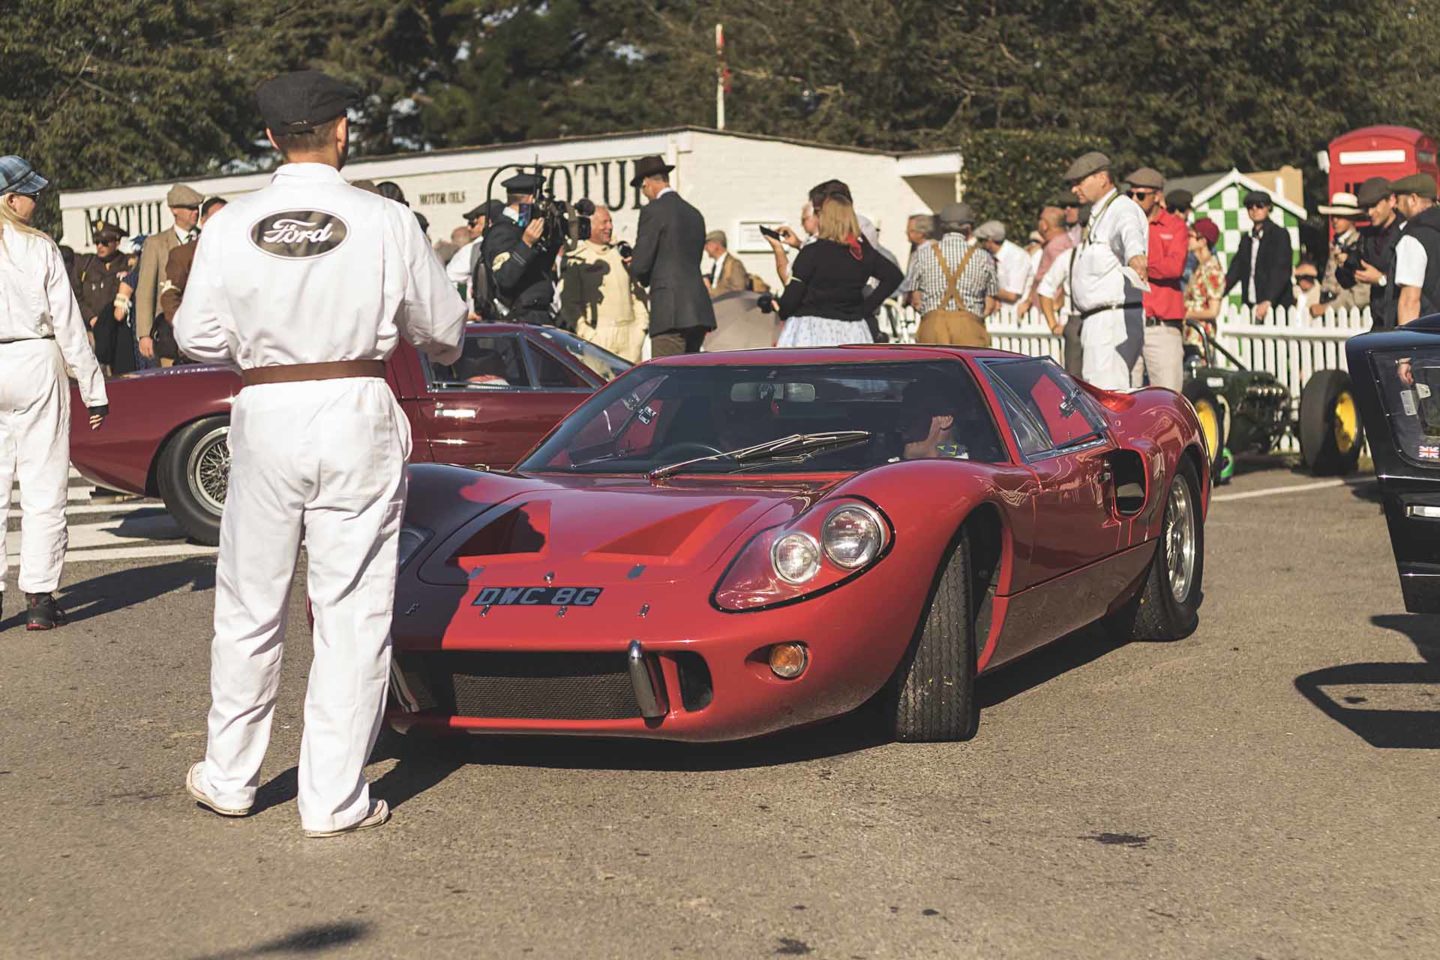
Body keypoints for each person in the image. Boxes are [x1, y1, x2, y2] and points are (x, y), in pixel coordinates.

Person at [173, 70, 466, 838]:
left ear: (270, 137)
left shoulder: (229, 223)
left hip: (267, 407)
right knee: (353, 608)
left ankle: (230, 775)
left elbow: (195, 337)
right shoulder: (383, 219)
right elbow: (445, 329)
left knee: (248, 600)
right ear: (342, 131)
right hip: (354, 405)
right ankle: (332, 799)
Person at [0, 156, 109, 630]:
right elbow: (66, 321)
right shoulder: (40, 248)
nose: (36, 202)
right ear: (9, 199)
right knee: (44, 483)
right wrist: (93, 387)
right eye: (30, 194)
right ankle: (40, 597)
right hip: (35, 359)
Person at [1063, 151, 1149, 390]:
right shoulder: (1100, 213)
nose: (1074, 189)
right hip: (1100, 319)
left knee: (1107, 396)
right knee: (1102, 395)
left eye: (1079, 182)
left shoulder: (1120, 208)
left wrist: (1135, 254)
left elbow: (1129, 229)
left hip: (1110, 320)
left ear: (1102, 178)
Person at [773, 194, 903, 347]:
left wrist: (782, 309)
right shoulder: (860, 253)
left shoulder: (812, 252)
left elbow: (793, 296)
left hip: (811, 329)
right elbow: (893, 276)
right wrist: (865, 308)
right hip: (852, 328)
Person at [628, 155, 716, 355]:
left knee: (669, 375)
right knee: (692, 376)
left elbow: (641, 265)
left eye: (642, 189)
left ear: (646, 183)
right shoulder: (694, 213)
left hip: (670, 309)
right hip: (698, 308)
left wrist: (636, 269)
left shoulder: (653, 210)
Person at [559, 204, 648, 362]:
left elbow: (637, 293)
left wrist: (640, 328)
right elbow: (569, 303)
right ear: (590, 225)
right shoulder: (577, 259)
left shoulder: (622, 254)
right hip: (598, 335)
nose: (610, 227)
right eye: (604, 222)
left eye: (611, 222)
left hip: (629, 335)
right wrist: (588, 335)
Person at [1127, 167, 1187, 391]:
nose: (1134, 199)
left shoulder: (1175, 226)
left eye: (1140, 195)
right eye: (1130, 194)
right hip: (1130, 322)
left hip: (1160, 327)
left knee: (1168, 399)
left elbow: (1175, 267)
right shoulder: (1127, 224)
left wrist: (1141, 264)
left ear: (1158, 196)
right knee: (1125, 397)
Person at [908, 202, 998, 346]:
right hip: (970, 328)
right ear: (968, 228)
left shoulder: (922, 255)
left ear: (942, 227)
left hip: (932, 328)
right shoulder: (983, 257)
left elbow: (915, 299)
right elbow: (990, 303)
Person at [135, 183, 203, 366]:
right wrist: (144, 334)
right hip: (167, 331)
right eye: (189, 208)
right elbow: (145, 290)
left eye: (196, 208)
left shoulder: (205, 239)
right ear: (174, 210)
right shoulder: (155, 244)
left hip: (199, 329)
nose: (195, 212)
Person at [480, 173, 561, 325]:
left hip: (538, 316)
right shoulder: (501, 231)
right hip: (517, 319)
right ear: (532, 199)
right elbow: (505, 278)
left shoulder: (524, 228)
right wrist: (526, 244)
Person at [157, 196, 227, 363]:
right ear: (203, 221)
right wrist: (184, 328)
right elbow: (169, 296)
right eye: (216, 218)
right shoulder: (184, 254)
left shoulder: (238, 252)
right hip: (198, 345)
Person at [69, 219, 136, 375]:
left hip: (118, 333)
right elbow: (75, 296)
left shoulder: (128, 264)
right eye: (97, 241)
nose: (99, 246)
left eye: (105, 242)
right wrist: (91, 318)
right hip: (91, 331)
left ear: (117, 242)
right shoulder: (86, 264)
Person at [1223, 190, 1293, 321]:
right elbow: (1235, 271)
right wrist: (1217, 293)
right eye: (1250, 206)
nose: (1254, 210)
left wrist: (1268, 300)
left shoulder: (1279, 235)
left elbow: (1281, 270)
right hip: (1251, 305)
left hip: (1276, 307)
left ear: (1268, 208)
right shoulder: (1246, 239)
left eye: (1259, 206)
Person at [1347, 177, 1406, 330]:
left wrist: (1381, 279)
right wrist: (1345, 264)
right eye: (1366, 208)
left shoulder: (1407, 233)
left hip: (1403, 320)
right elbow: (1346, 281)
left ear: (1392, 201)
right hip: (1379, 319)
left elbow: (1416, 281)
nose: (1370, 213)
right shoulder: (1366, 237)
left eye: (1374, 206)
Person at [1389, 173, 1440, 325]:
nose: (1394, 205)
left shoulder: (1413, 237)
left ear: (1413, 199)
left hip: (1427, 336)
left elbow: (1409, 301)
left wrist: (1407, 346)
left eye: (1398, 199)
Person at [1314, 191, 1369, 315]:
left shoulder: (1361, 245)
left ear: (1352, 218)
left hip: (1351, 317)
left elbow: (1362, 293)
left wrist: (1329, 308)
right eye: (1333, 215)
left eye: (1340, 216)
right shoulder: (1335, 244)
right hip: (1330, 317)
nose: (1335, 220)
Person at [1018, 205, 1073, 316]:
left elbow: (1065, 276)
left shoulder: (1056, 247)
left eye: (1040, 220)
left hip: (1048, 312)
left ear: (1044, 225)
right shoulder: (1059, 242)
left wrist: (1056, 304)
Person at [1183, 217, 1225, 343]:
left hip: (1200, 338)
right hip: (1190, 335)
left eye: (1190, 236)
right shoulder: (1199, 267)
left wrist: (1187, 314)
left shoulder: (1212, 270)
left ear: (1202, 241)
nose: (1187, 239)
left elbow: (1213, 311)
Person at [975, 220, 1033, 306]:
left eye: (981, 240)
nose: (979, 244)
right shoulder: (988, 256)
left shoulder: (1017, 257)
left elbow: (1012, 295)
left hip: (1014, 312)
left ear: (990, 240)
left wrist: (981, 287)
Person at [896, 213, 935, 303]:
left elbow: (910, 282)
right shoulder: (917, 251)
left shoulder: (927, 252)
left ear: (921, 233)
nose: (907, 233)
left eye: (911, 231)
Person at [702, 230, 748, 297]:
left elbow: (738, 291)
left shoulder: (734, 265)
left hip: (727, 306)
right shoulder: (717, 264)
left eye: (707, 244)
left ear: (716, 245)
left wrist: (710, 290)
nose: (705, 248)